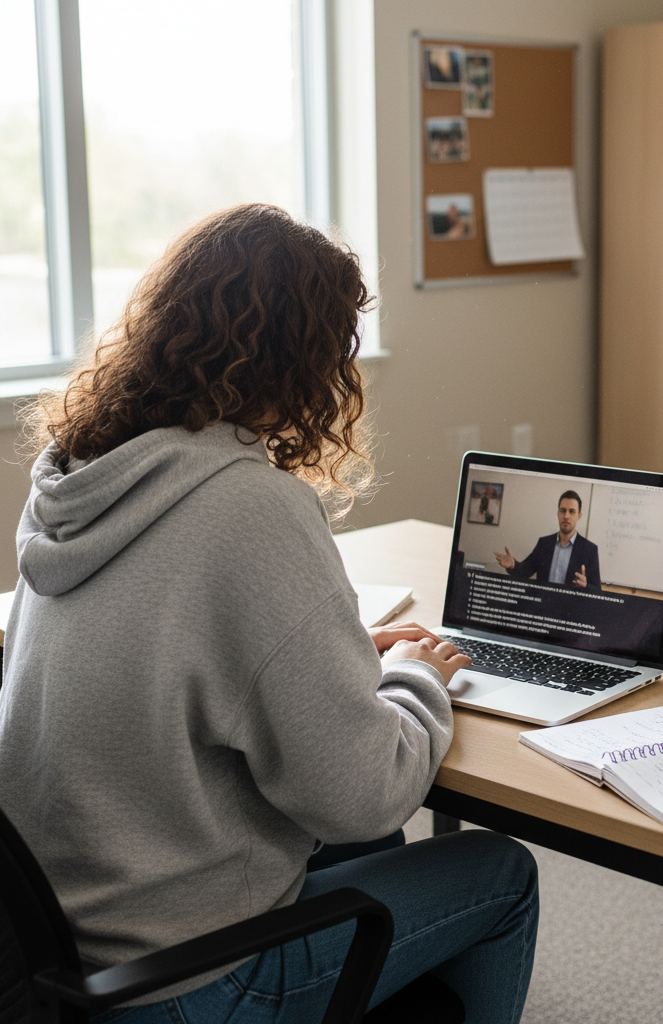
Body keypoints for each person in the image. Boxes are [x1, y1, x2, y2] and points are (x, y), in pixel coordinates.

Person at [0, 204, 538, 1024]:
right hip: (183, 982)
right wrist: (416, 677)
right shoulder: (252, 507)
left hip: (62, 956)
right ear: (302, 359)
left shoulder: (79, 482)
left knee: (365, 845)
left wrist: (333, 656)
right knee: (500, 872)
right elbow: (367, 792)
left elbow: (174, 651)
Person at [494, 490, 602, 590]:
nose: (566, 516)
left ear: (579, 516)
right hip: (542, 606)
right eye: (563, 510)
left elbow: (597, 590)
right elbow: (526, 570)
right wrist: (513, 565)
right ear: (558, 513)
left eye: (572, 511)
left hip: (570, 608)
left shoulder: (589, 549)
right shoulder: (544, 543)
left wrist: (586, 585)